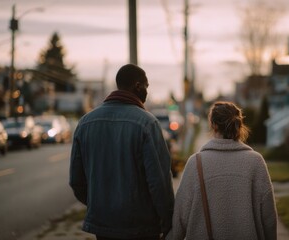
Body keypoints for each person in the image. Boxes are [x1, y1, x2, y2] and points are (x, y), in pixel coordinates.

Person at [70, 64, 175, 240]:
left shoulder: (85, 123)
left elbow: (76, 180)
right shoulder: (147, 123)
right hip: (141, 227)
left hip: (103, 226)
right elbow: (159, 182)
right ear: (138, 86)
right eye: (146, 86)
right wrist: (168, 221)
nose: (147, 93)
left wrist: (99, 205)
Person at [167, 101, 277, 240]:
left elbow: (180, 217)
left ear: (213, 125)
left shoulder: (196, 163)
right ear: (239, 124)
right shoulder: (255, 162)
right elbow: (269, 217)